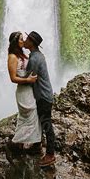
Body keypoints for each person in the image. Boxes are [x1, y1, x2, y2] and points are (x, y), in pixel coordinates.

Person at [23, 31, 56, 167]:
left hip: (43, 96)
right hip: (44, 94)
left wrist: (16, 77)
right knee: (39, 121)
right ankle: (37, 145)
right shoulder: (36, 55)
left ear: (31, 43)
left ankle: (50, 155)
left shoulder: (35, 58)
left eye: (27, 39)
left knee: (47, 124)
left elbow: (29, 78)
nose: (24, 40)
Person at [7, 31, 42, 152]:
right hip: (23, 91)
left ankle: (25, 144)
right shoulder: (12, 57)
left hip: (29, 89)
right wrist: (27, 79)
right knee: (28, 114)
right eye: (21, 39)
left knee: (29, 116)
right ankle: (17, 142)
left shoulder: (22, 55)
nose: (24, 41)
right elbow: (12, 78)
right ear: (15, 42)